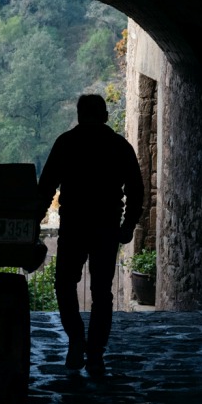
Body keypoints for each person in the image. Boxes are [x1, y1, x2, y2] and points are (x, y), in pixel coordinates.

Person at [37, 93, 146, 377]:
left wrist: (33, 221)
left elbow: (46, 187)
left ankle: (76, 339)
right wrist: (127, 224)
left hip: (74, 225)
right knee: (102, 293)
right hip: (106, 227)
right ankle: (95, 354)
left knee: (64, 285)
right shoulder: (119, 146)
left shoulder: (66, 143)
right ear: (105, 116)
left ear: (79, 115)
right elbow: (136, 190)